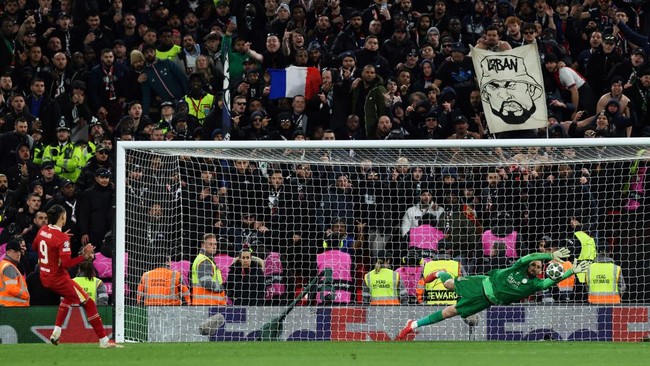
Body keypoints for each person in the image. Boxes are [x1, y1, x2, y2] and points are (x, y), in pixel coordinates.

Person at [397, 247, 590, 340]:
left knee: (450, 312)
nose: (535, 267)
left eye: (539, 267)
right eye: (534, 264)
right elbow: (530, 256)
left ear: (541, 270)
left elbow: (550, 281)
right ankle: (439, 272)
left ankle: (412, 324)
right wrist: (550, 255)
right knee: (448, 284)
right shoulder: (518, 266)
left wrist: (571, 270)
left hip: (487, 300)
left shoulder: (536, 284)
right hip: (481, 283)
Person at [34, 204, 122, 347]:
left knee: (69, 297)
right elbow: (67, 264)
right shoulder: (62, 238)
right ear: (63, 217)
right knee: (89, 303)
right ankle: (104, 341)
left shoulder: (43, 230)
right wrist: (84, 255)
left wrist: (55, 246)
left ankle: (56, 332)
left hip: (44, 276)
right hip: (58, 278)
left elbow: (34, 246)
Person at [191, 233, 227, 306]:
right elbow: (206, 282)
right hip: (207, 304)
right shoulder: (204, 261)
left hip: (205, 303)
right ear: (203, 246)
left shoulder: (204, 259)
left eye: (215, 244)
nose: (214, 247)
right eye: (210, 244)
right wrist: (221, 288)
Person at [0, 239, 30, 307]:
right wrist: (26, 295)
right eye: (15, 251)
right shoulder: (9, 267)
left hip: (8, 305)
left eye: (19, 251)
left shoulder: (5, 265)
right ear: (8, 252)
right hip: (13, 307)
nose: (19, 254)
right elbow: (11, 288)